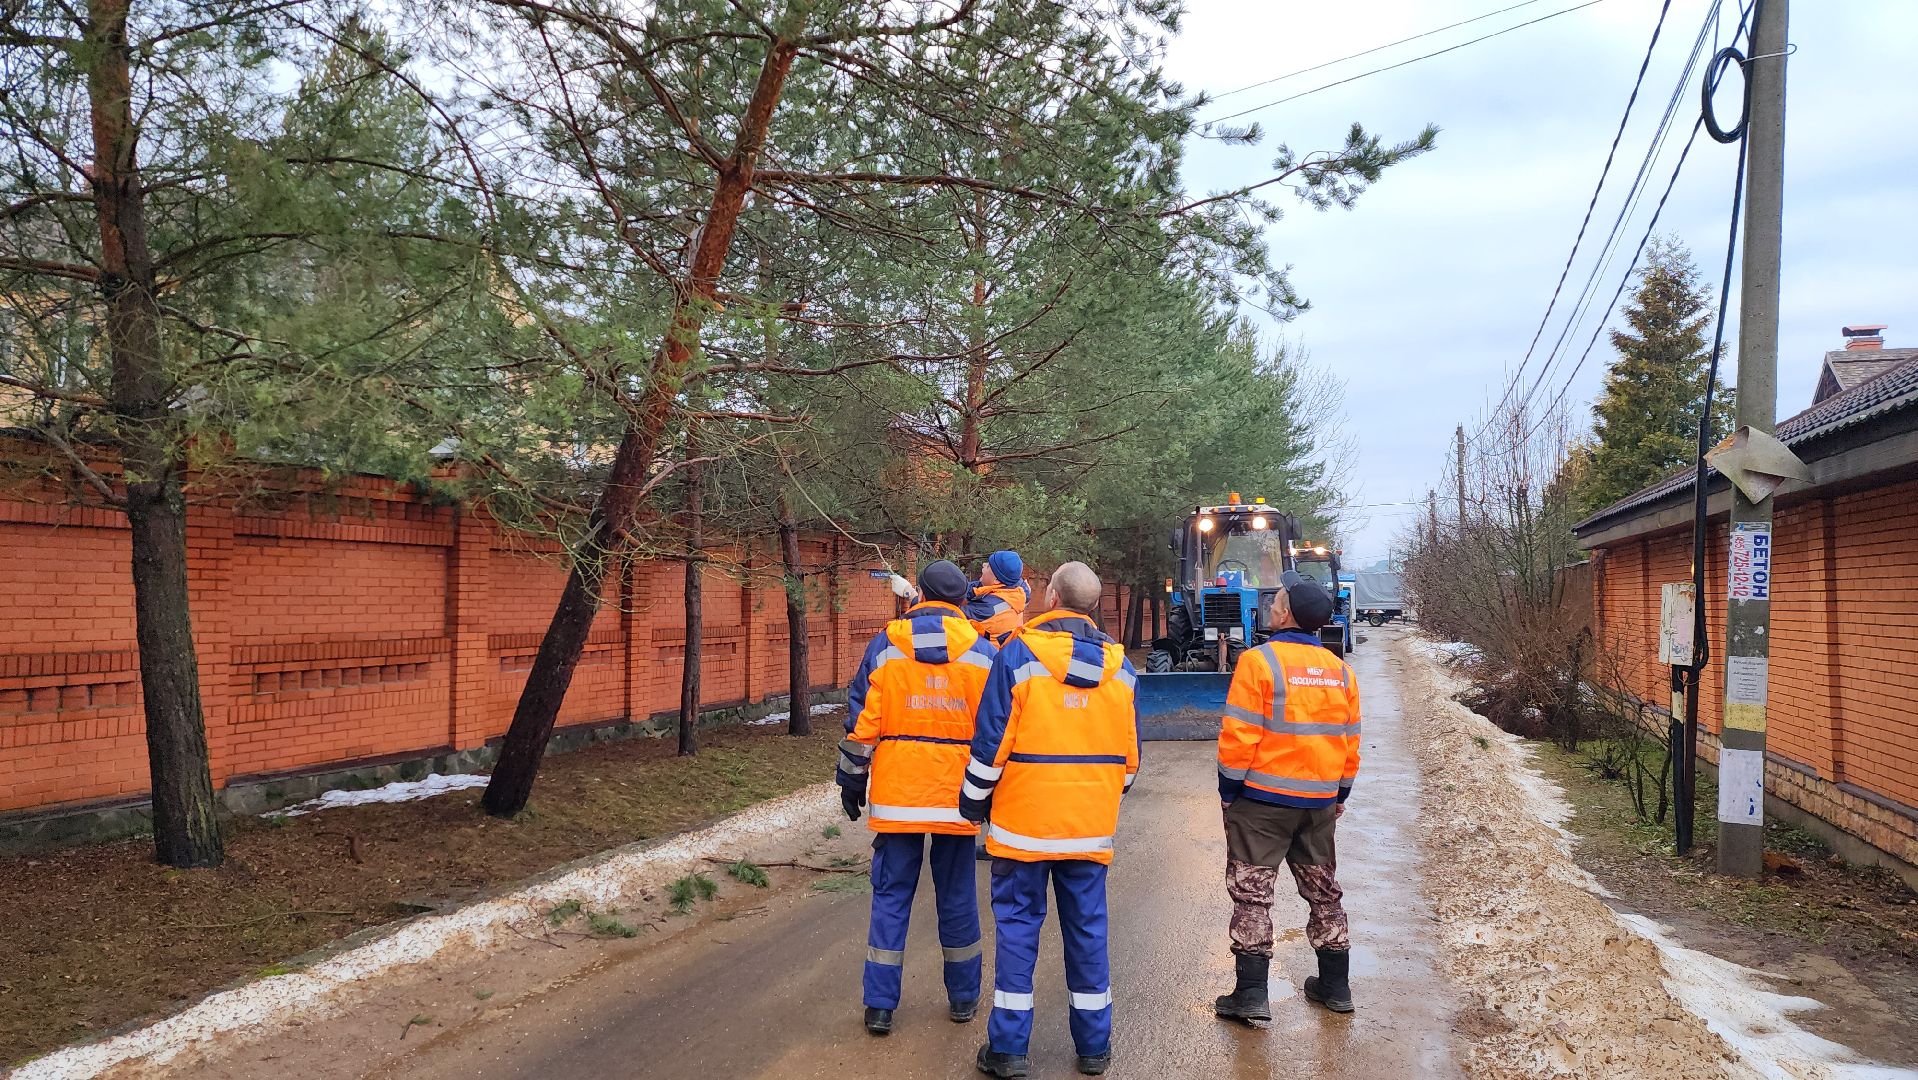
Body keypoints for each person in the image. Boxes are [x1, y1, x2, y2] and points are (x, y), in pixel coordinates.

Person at [960, 561, 1140, 1078]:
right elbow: (1130, 765)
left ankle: (1009, 1051)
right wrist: (1096, 796)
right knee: (1087, 929)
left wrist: (973, 806)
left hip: (1023, 828)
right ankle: (1093, 1048)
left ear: (1053, 597)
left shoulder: (1018, 656)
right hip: (1088, 827)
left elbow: (990, 745)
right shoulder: (1122, 669)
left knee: (1018, 931)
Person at [837, 560, 998, 1037]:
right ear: (961, 599)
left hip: (898, 795)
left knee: (890, 898)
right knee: (957, 897)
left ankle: (880, 1006)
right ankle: (964, 998)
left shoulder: (887, 645)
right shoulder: (984, 653)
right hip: (958, 797)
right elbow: (994, 729)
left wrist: (851, 777)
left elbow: (862, 720)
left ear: (920, 593)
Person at [1213, 570, 1362, 1022]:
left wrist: (1228, 790)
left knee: (1253, 894)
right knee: (1323, 891)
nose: (1272, 607)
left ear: (1286, 614)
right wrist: (1339, 793)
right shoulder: (1341, 671)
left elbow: (1239, 736)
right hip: (1318, 802)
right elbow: (1350, 740)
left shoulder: (1259, 662)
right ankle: (1335, 987)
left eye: (1277, 602)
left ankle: (1252, 994)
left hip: (1262, 801)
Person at [966, 550, 1029, 645]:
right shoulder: (1015, 591)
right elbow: (976, 588)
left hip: (988, 656)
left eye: (988, 566)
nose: (983, 565)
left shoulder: (987, 608)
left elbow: (952, 615)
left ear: (996, 580)